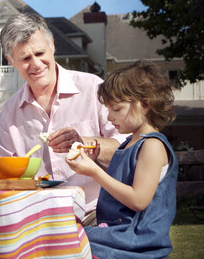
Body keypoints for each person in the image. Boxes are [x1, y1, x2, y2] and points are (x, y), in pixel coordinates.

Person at [0, 13, 127, 220]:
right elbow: (10, 179)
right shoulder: (9, 114)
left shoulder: (94, 89)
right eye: (25, 58)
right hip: (39, 217)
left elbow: (128, 148)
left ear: (53, 46)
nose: (36, 64)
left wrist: (84, 143)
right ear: (11, 61)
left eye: (40, 53)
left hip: (98, 212)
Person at [66, 60, 178, 258]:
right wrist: (94, 162)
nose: (109, 117)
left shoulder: (152, 146)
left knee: (67, 244)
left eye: (116, 109)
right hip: (118, 233)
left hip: (138, 241)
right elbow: (123, 181)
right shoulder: (129, 143)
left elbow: (138, 200)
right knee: (62, 236)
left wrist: (95, 172)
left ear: (145, 105)